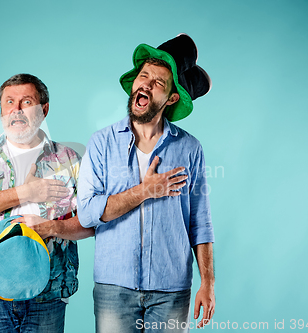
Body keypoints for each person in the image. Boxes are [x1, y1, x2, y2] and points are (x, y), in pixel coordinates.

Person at [77, 34, 215, 333]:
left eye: (159, 83)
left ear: (171, 98)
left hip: (171, 289)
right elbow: (87, 214)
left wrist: (208, 283)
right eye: (143, 77)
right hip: (114, 287)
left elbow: (200, 222)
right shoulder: (101, 143)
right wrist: (145, 191)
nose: (146, 85)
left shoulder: (190, 148)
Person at [0, 73, 94, 333]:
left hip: (49, 288)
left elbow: (90, 223)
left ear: (44, 109)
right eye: (9, 102)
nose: (16, 110)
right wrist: (25, 193)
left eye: (26, 102)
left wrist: (51, 228)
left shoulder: (69, 160)